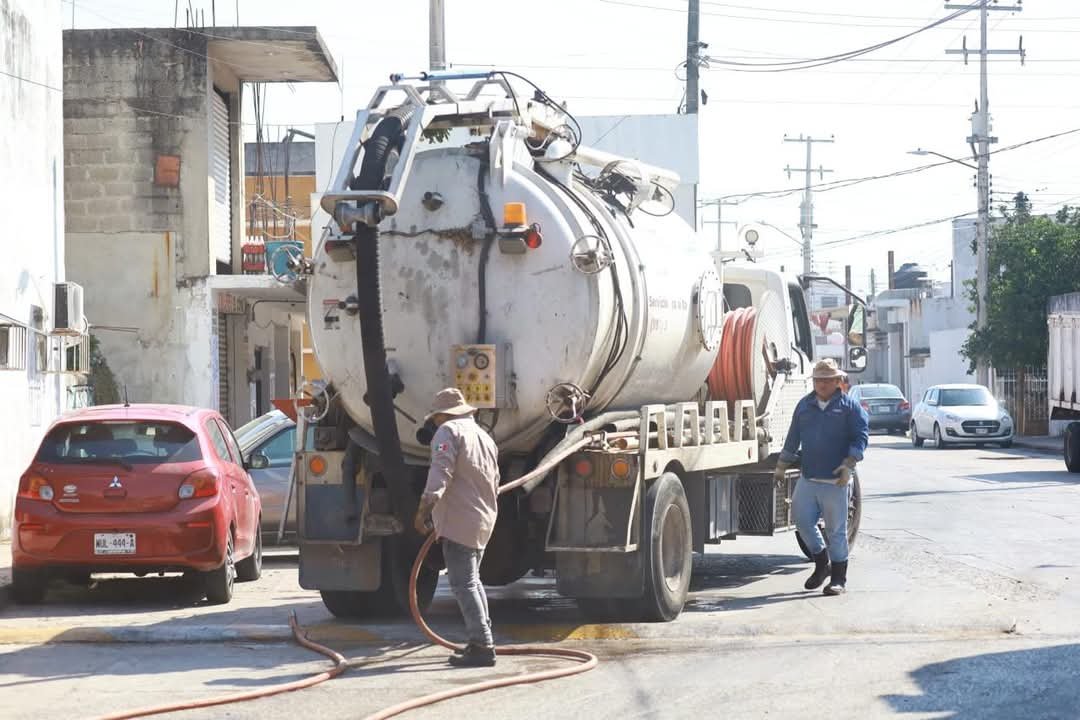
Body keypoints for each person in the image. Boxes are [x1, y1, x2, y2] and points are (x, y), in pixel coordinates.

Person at [413, 387, 501, 667]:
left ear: (440, 416)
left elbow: (439, 476)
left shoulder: (448, 432)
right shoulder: (484, 436)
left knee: (464, 583)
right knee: (473, 582)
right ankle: (481, 640)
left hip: (460, 520)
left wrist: (423, 511)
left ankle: (483, 645)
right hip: (483, 518)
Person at [774, 358, 869, 596]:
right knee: (802, 522)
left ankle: (839, 578)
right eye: (818, 380)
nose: (822, 385)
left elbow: (861, 437)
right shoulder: (804, 406)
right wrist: (782, 465)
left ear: (838, 382)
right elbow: (793, 437)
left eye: (827, 380)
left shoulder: (849, 407)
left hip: (836, 481)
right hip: (809, 478)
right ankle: (821, 562)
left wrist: (850, 462)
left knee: (836, 531)